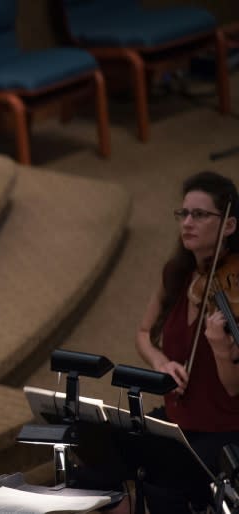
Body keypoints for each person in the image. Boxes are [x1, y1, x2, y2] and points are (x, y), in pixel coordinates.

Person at [135, 170, 239, 513]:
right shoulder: (176, 274)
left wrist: (221, 348)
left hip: (225, 425)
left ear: (228, 226)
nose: (187, 223)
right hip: (178, 415)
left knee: (166, 482)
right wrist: (160, 362)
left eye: (200, 214)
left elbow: (235, 387)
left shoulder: (234, 290)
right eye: (184, 214)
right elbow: (143, 335)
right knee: (112, 454)